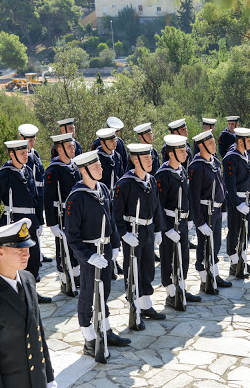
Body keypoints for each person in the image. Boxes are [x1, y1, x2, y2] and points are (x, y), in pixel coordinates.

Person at [0, 218, 57, 388]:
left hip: (38, 382)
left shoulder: (28, 280)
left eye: (27, 247)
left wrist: (49, 378)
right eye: (18, 249)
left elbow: (38, 333)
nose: (27, 253)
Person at [64, 151, 130, 354]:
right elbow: (72, 235)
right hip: (90, 252)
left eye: (100, 165)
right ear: (84, 171)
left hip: (106, 248)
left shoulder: (102, 189)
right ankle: (88, 336)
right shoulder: (76, 198)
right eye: (95, 167)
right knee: (87, 294)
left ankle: (105, 328)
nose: (101, 169)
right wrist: (88, 256)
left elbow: (110, 220)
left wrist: (116, 244)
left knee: (106, 290)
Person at [0, 140, 51, 303]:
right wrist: (2, 232)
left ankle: (31, 294)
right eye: (22, 153)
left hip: (30, 222)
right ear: (12, 154)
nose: (26, 155)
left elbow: (36, 199)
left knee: (33, 258)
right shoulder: (4, 174)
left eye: (27, 152)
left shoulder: (28, 171)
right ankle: (14, 296)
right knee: (15, 262)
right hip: (14, 222)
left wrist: (39, 222)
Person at [114, 143, 167, 329]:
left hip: (148, 229)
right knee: (133, 271)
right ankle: (134, 307)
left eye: (150, 158)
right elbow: (116, 213)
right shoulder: (125, 183)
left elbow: (157, 206)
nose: (150, 161)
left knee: (147, 269)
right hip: (132, 232)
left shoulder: (151, 180)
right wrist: (124, 234)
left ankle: (146, 305)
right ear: (135, 161)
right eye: (146, 159)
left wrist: (159, 229)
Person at [155, 135, 203, 307]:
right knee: (168, 258)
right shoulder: (162, 175)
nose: (185, 154)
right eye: (181, 151)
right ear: (171, 154)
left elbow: (188, 196)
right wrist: (166, 229)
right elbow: (158, 205)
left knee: (183, 256)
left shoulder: (182, 170)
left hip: (182, 222)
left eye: (185, 150)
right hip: (169, 222)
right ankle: (170, 293)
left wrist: (190, 218)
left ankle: (181, 287)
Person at [189, 130, 231, 292]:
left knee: (216, 244)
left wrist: (225, 207)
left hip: (217, 210)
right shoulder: (197, 166)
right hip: (205, 211)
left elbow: (222, 185)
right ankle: (204, 278)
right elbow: (194, 196)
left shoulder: (214, 161)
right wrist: (199, 222)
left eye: (214, 142)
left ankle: (214, 273)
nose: (214, 146)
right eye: (211, 143)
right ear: (202, 145)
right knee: (204, 246)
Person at [45, 133, 81, 295]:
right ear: (60, 150)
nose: (73, 149)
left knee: (75, 246)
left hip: (76, 213)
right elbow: (47, 198)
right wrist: (52, 223)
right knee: (62, 249)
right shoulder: (53, 170)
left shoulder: (74, 166)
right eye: (69, 147)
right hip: (61, 214)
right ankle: (65, 279)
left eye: (73, 146)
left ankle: (76, 275)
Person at [222, 128, 250, 278]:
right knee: (234, 231)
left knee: (246, 230)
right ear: (240, 141)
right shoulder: (230, 158)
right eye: (249, 141)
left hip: (247, 199)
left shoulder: (246, 154)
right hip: (236, 201)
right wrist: (238, 203)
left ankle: (242, 259)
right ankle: (233, 262)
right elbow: (229, 186)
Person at [18, 124, 51, 263]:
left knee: (39, 225)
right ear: (22, 139)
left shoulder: (35, 153)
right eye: (29, 140)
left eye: (33, 139)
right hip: (32, 191)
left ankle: (39, 253)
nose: (32, 142)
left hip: (40, 190)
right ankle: (35, 255)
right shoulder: (23, 156)